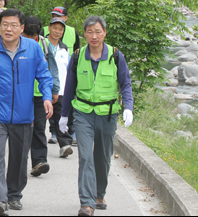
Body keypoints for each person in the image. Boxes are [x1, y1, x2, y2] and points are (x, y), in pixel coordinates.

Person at [0, 9, 53, 216]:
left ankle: (14, 195)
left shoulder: (33, 49)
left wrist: (46, 96)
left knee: (19, 158)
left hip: (24, 115)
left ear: (22, 28)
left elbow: (44, 76)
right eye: (5, 24)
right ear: (0, 26)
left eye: (13, 25)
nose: (8, 29)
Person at [59, 15, 133, 217]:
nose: (94, 36)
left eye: (98, 31)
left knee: (103, 157)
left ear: (104, 33)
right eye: (90, 32)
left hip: (107, 114)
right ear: (84, 34)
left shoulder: (116, 56)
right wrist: (64, 115)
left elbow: (125, 83)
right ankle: (87, 203)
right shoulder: (77, 56)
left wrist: (129, 107)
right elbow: (70, 86)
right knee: (85, 157)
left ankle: (99, 194)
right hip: (83, 113)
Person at [21, 16, 60, 178]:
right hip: (20, 93)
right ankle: (20, 162)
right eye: (27, 36)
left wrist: (54, 90)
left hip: (40, 94)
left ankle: (39, 161)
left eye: (32, 36)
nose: (29, 39)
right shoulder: (15, 42)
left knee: (38, 127)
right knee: (21, 129)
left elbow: (52, 68)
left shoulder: (44, 44)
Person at [45, 17, 73, 158]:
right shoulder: (41, 44)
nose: (57, 31)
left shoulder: (64, 48)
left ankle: (65, 145)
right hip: (42, 89)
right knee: (37, 118)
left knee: (61, 117)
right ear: (49, 28)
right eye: (55, 28)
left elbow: (67, 69)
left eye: (60, 29)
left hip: (61, 89)